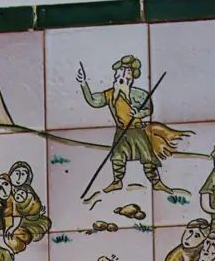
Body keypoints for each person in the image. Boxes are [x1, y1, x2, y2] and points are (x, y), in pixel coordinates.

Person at [77, 54, 187, 192]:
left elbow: (149, 108)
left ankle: (157, 182)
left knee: (148, 158)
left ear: (131, 77)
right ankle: (117, 182)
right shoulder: (110, 94)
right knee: (117, 157)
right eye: (120, 71)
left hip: (137, 130)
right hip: (121, 131)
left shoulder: (138, 94)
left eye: (127, 72)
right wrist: (83, 84)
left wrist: (139, 113)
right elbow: (94, 101)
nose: (122, 75)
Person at [5, 159, 51, 252]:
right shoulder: (5, 188)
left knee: (44, 223)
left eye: (23, 174)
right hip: (10, 221)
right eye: (17, 173)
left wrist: (35, 209)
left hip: (28, 220)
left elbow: (35, 204)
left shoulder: (27, 189)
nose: (19, 178)